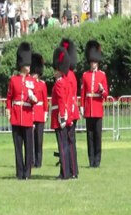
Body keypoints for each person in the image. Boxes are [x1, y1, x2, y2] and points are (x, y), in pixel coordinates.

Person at [6, 42, 38, 180]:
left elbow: (35, 98)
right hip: (16, 116)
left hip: (27, 115)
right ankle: (19, 172)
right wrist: (8, 110)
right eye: (27, 64)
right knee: (18, 147)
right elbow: (9, 97)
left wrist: (32, 99)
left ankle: (27, 172)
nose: (29, 66)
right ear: (21, 64)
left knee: (28, 147)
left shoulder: (32, 80)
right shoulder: (13, 80)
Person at [80, 40, 109, 168]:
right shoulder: (85, 75)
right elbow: (83, 92)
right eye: (92, 62)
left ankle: (97, 160)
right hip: (88, 109)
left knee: (98, 136)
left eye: (95, 62)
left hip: (97, 108)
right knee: (90, 137)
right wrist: (82, 106)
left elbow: (105, 94)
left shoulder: (102, 75)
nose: (93, 64)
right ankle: (91, 160)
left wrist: (102, 90)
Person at [51, 47, 72, 180]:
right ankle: (67, 171)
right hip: (63, 116)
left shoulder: (59, 83)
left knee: (62, 146)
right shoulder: (65, 81)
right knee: (65, 145)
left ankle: (64, 173)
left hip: (59, 117)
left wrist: (62, 117)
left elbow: (62, 101)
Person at [60, 38, 79, 179]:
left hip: (69, 113)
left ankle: (70, 170)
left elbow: (70, 97)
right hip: (70, 113)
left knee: (68, 144)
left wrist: (69, 117)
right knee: (69, 143)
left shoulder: (69, 76)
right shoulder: (69, 74)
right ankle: (72, 170)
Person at [30, 53, 48, 168]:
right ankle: (31, 161)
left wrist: (45, 113)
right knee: (30, 139)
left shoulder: (42, 84)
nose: (34, 75)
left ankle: (38, 161)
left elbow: (45, 100)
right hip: (30, 113)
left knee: (39, 140)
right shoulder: (28, 83)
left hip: (40, 113)